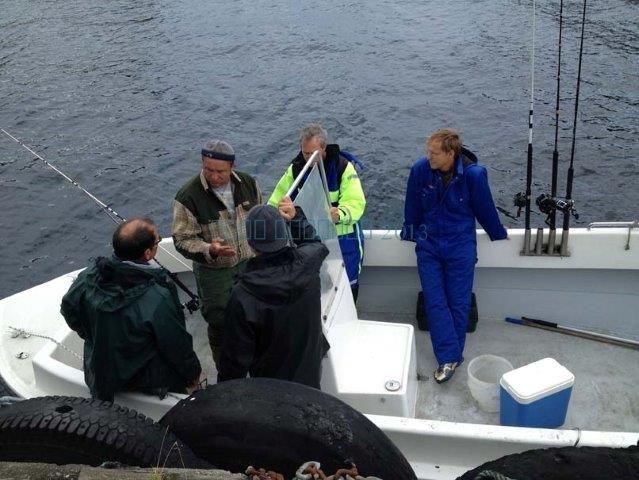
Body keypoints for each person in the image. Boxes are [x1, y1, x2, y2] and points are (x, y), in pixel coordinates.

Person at [401, 129, 507, 384]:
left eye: (434, 153)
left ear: (451, 153)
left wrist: (498, 234)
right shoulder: (420, 170)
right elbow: (412, 206)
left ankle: (451, 356)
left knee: (458, 302)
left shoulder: (474, 175)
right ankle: (449, 356)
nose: (429, 158)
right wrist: (410, 232)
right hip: (429, 246)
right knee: (435, 300)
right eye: (428, 152)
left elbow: (485, 209)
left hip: (460, 247)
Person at [60, 218, 201, 402]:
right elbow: (175, 345)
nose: (159, 240)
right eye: (157, 240)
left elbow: (69, 309)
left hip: (102, 373)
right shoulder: (157, 298)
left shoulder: (88, 276)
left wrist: (94, 338)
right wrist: (193, 375)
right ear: (148, 253)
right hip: (147, 381)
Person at [217, 199, 330, 389]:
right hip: (310, 368)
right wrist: (296, 218)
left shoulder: (243, 295)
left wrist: (222, 395)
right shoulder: (309, 262)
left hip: (272, 385)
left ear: (250, 243)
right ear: (282, 234)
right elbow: (313, 242)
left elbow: (234, 361)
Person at [172, 140, 262, 368]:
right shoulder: (188, 196)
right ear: (202, 163)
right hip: (214, 272)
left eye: (220, 171)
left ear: (232, 166)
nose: (214, 176)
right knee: (219, 322)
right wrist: (209, 250)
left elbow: (260, 216)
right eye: (208, 169)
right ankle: (226, 369)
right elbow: (182, 240)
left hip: (249, 263)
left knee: (255, 313)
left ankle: (256, 358)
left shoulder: (249, 184)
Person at [268, 123, 366, 301]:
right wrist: (274, 214)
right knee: (316, 284)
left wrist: (340, 213)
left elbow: (356, 202)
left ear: (324, 148)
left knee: (349, 283)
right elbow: (276, 200)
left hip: (344, 239)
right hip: (312, 238)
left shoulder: (343, 168)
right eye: (305, 153)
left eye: (312, 153)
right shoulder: (296, 170)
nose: (308, 158)